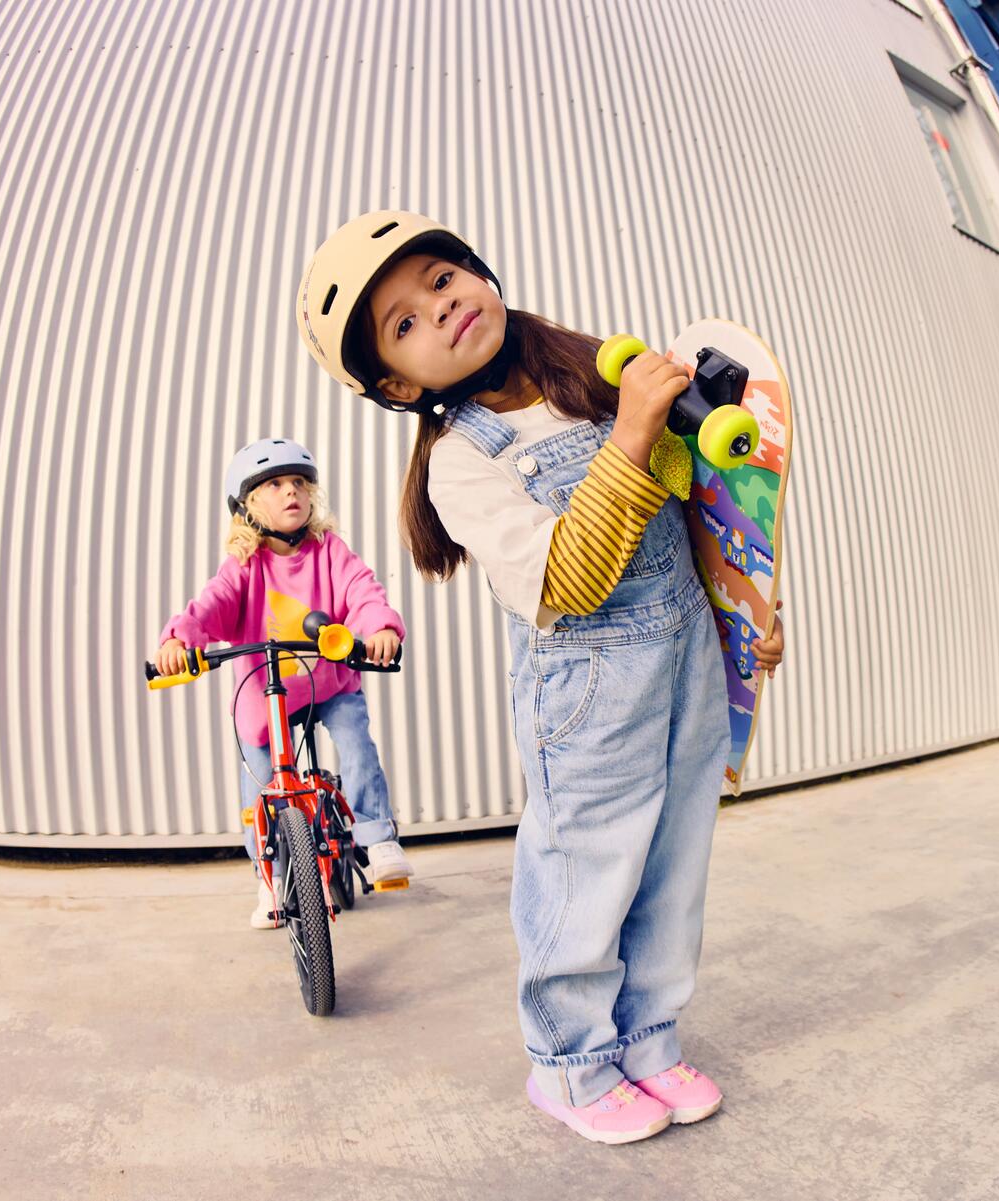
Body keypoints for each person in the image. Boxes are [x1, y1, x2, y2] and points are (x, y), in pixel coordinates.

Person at [296, 213, 784, 1143]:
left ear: (477, 272)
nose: (439, 312)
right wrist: (633, 434)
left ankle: (646, 1038)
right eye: (403, 325)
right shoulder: (460, 462)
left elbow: (701, 512)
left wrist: (745, 610)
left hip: (684, 659)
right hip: (589, 692)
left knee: (674, 866)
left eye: (442, 280)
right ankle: (567, 1064)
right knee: (586, 873)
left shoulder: (590, 377)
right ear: (399, 383)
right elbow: (567, 581)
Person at [154, 438, 411, 928]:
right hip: (263, 693)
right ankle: (269, 876)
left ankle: (377, 840)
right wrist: (177, 640)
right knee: (259, 788)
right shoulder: (244, 567)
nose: (291, 492)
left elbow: (362, 589)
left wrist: (378, 626)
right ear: (249, 507)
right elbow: (209, 606)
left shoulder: (329, 551)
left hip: (330, 681)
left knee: (357, 745)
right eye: (274, 485)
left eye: (299, 483)